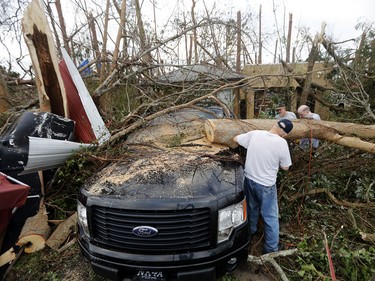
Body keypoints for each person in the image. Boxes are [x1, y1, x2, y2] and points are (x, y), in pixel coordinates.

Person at [233, 119, 293, 254]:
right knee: (270, 216)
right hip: (266, 186)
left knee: (251, 208)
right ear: (285, 134)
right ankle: (271, 249)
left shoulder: (255, 134)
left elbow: (236, 138)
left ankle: (250, 232)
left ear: (275, 124)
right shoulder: (282, 143)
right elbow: (285, 167)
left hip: (248, 180)